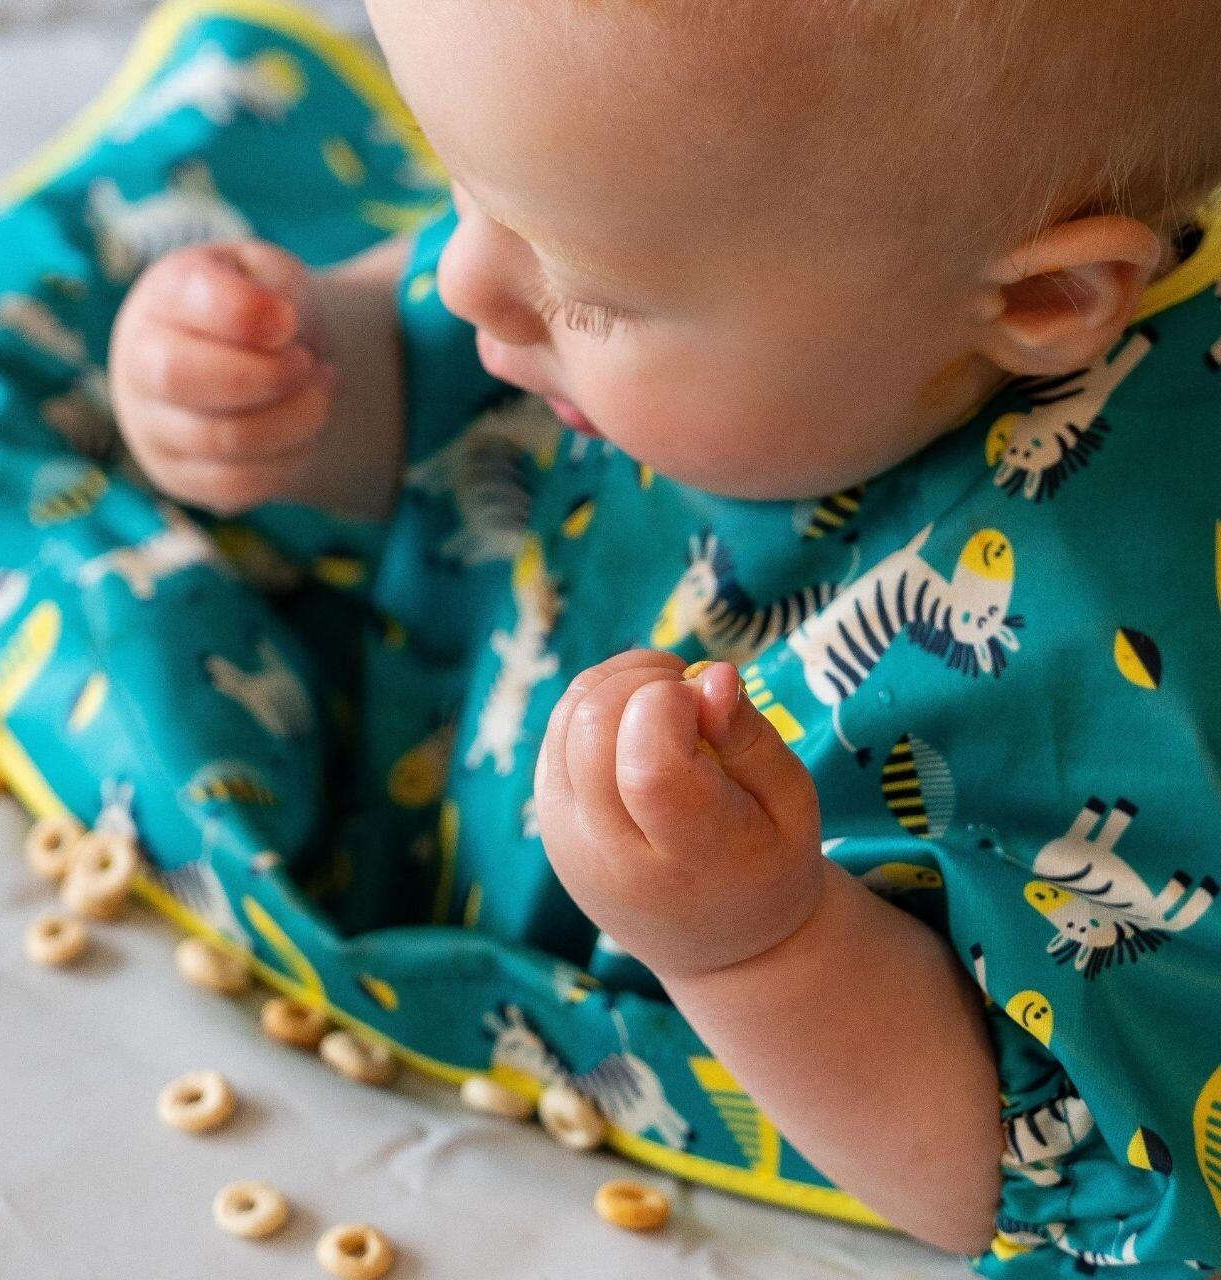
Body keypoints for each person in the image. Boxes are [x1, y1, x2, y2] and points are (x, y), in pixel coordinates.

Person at [108, 1, 1221, 1269]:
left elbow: (1043, 1163)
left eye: (587, 289)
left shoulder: (1118, 655)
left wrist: (760, 945)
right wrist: (274, 380)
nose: (462, 280)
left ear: (1045, 297)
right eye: (459, 179)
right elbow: (437, 397)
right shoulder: (708, 223)